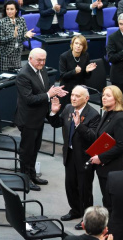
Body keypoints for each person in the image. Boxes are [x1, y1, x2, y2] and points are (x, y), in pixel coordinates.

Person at [14, 48, 68, 191]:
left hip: (38, 117)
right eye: (39, 60)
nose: (42, 63)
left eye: (44, 60)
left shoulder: (42, 70)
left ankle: (32, 175)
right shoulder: (23, 75)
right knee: (26, 151)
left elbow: (43, 89)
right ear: (30, 58)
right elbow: (29, 99)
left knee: (35, 148)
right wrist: (49, 95)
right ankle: (25, 179)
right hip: (28, 119)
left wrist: (55, 91)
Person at [48, 86, 101, 230]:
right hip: (70, 154)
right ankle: (75, 210)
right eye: (72, 95)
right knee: (70, 185)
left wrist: (79, 125)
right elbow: (57, 124)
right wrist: (53, 112)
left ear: (86, 98)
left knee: (84, 188)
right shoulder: (68, 109)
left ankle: (87, 218)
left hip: (85, 158)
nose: (73, 98)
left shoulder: (94, 115)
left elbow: (93, 138)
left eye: (78, 96)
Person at [87, 85, 123, 207]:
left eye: (108, 95)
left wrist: (101, 157)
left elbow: (122, 145)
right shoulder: (107, 113)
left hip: (113, 168)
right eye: (103, 95)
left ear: (116, 98)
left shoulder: (121, 118)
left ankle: (112, 226)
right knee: (106, 200)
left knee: (111, 202)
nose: (104, 98)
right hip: (104, 167)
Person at [0, 0, 34, 73]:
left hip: (17, 55)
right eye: (7, 9)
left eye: (12, 9)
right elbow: (0, 40)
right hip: (5, 56)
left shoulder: (21, 20)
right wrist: (12, 36)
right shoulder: (2, 22)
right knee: (4, 79)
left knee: (16, 78)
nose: (9, 11)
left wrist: (26, 36)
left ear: (16, 10)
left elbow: (21, 39)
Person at [58, 35, 97, 107]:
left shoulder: (85, 55)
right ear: (72, 44)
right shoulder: (64, 56)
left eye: (81, 44)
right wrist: (74, 71)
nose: (78, 46)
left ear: (84, 47)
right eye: (76, 43)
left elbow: (86, 77)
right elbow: (62, 76)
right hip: (67, 87)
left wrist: (87, 71)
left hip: (80, 87)